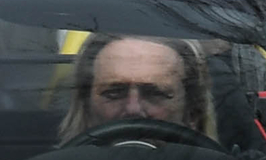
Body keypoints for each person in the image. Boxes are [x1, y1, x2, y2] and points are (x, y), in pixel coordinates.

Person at [58, 34, 212, 142]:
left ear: (192, 113)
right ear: (85, 106)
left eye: (154, 93)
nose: (133, 109)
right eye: (115, 93)